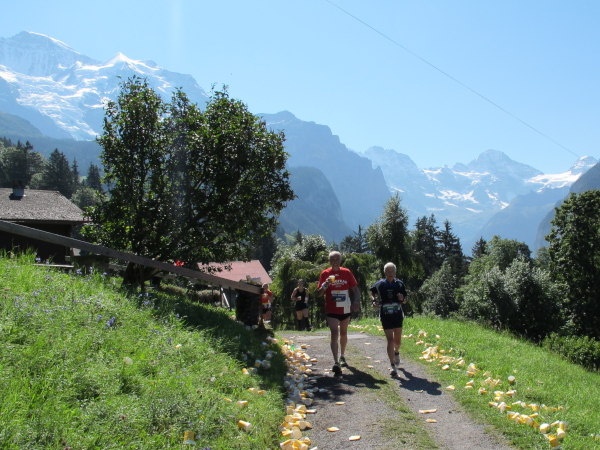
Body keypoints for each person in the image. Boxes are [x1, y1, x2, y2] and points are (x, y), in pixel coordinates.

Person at [317, 251, 360, 375]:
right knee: (334, 333)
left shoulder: (346, 272)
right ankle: (336, 362)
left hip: (345, 308)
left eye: (337, 259)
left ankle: (342, 355)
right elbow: (318, 294)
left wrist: (356, 301)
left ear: (340, 260)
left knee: (344, 333)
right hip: (331, 309)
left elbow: (355, 289)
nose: (335, 261)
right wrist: (325, 285)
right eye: (333, 259)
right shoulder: (325, 273)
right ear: (329, 261)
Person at [370, 262, 408, 376]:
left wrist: (402, 299)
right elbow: (372, 292)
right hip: (385, 314)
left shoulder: (399, 284)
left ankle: (396, 352)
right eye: (388, 271)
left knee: (397, 341)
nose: (390, 273)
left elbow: (405, 300)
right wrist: (374, 301)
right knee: (390, 340)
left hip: (397, 313)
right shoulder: (380, 284)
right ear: (384, 272)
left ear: (395, 272)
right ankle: (392, 366)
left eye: (392, 271)